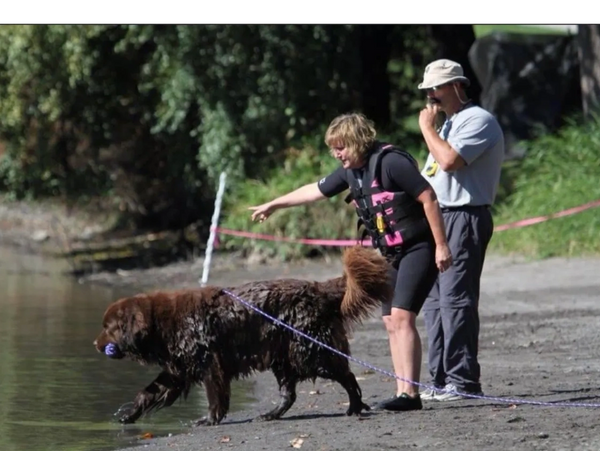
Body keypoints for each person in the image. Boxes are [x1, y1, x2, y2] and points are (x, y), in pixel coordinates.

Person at [249, 112, 453, 412]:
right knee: (389, 320)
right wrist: (274, 204)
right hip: (392, 253)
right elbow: (313, 191)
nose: (336, 153)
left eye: (341, 146)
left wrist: (441, 246)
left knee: (402, 316)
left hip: (419, 247)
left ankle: (411, 395)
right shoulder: (350, 172)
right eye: (334, 148)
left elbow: (429, 198)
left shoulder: (391, 163)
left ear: (357, 142)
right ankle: (402, 390)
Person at [416, 59, 505, 401]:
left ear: (456, 86)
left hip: (465, 217)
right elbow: (431, 176)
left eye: (435, 89)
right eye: (427, 91)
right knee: (435, 302)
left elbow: (450, 161)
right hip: (440, 218)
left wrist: (427, 129)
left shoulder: (477, 120)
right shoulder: (449, 124)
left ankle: (464, 381)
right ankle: (439, 379)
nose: (430, 97)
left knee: (456, 300)